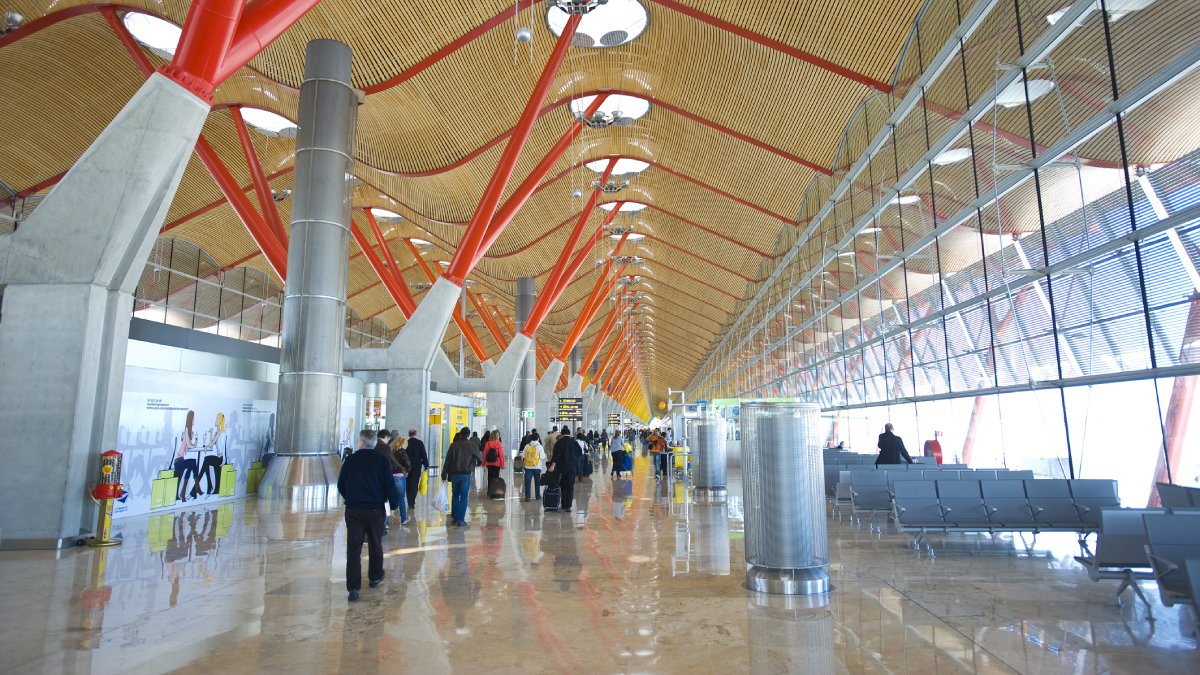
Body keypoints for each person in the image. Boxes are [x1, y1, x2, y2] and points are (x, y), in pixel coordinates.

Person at [337, 429, 399, 602]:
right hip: (375, 510)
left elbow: (341, 484)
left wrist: (350, 498)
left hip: (354, 510)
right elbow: (389, 485)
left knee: (353, 548)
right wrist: (393, 504)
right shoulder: (381, 461)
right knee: (375, 543)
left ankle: (354, 588)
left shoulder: (351, 460)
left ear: (362, 443)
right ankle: (375, 576)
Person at [442, 428, 482, 527]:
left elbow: (447, 461)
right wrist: (475, 463)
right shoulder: (471, 445)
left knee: (455, 495)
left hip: (454, 474)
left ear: (460, 434)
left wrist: (444, 474)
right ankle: (460, 520)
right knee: (464, 497)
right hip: (465, 474)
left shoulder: (453, 445)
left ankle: (455, 518)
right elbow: (480, 459)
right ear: (468, 435)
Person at [550, 425, 582, 512]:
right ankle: (568, 505)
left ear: (561, 433)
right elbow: (580, 452)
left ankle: (563, 504)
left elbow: (556, 455)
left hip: (562, 467)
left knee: (562, 485)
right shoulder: (574, 442)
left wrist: (553, 465)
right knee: (570, 486)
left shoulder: (559, 442)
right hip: (572, 467)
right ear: (569, 433)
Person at [375, 429, 395, 532]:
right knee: (385, 502)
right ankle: (385, 523)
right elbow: (388, 464)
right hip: (383, 479)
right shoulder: (386, 447)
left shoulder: (372, 445)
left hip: (373, 478)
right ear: (386, 437)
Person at [389, 435, 412, 525]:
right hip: (399, 476)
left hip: (390, 477)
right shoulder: (402, 452)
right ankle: (403, 519)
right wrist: (407, 471)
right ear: (403, 444)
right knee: (401, 499)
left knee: (387, 498)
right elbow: (408, 464)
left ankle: (386, 521)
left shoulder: (390, 452)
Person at [404, 429, 429, 511]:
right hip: (417, 466)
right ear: (416, 434)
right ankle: (412, 502)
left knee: (408, 483)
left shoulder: (406, 443)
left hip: (407, 467)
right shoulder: (420, 443)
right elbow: (423, 455)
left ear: (409, 434)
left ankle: (409, 500)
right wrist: (426, 465)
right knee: (414, 484)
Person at [521, 431, 544, 502]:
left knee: (527, 482)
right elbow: (542, 457)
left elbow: (523, 456)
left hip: (528, 467)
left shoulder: (527, 446)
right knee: (537, 482)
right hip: (537, 467)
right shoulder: (539, 446)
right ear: (538, 439)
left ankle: (527, 497)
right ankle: (537, 496)